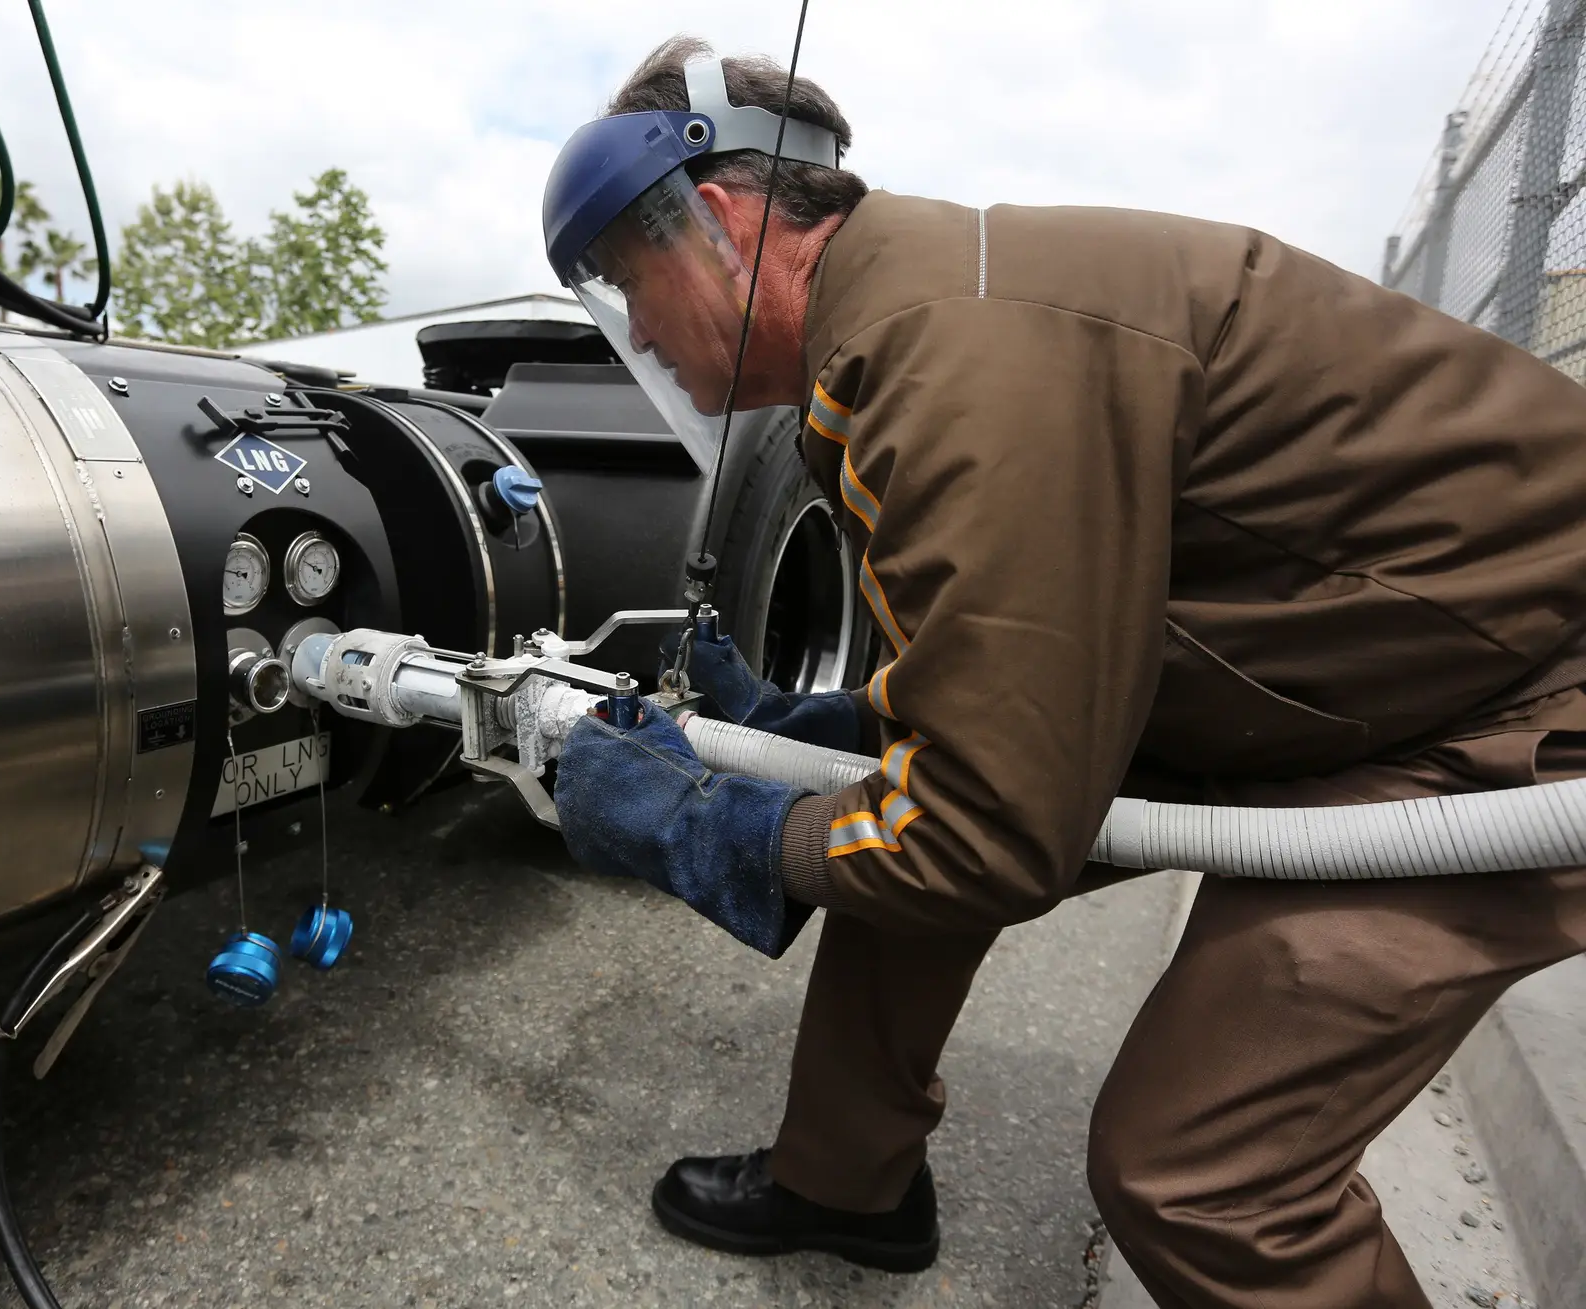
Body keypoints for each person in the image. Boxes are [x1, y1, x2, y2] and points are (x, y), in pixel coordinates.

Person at [543, 35, 1586, 1309]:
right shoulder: (911, 320)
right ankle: (844, 1179)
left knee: (1199, 1170)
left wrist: (700, 823)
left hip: (1507, 704)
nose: (635, 328)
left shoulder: (955, 356)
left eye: (626, 279)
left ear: (719, 218)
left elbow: (989, 833)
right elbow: (1005, 656)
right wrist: (839, 725)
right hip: (1341, 669)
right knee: (883, 785)